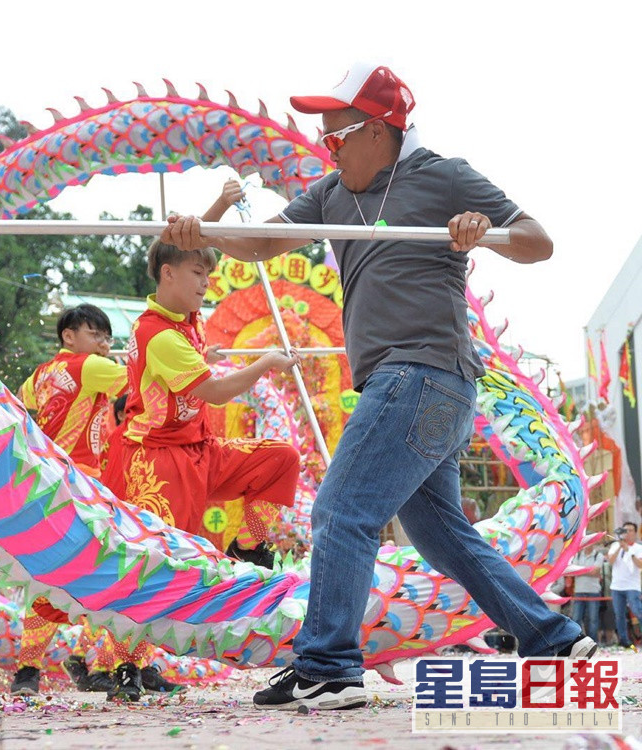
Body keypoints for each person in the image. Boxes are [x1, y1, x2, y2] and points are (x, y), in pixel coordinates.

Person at [161, 62, 594, 712]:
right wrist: (207, 229)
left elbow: (539, 242)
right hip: (418, 391)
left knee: (340, 512)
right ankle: (554, 639)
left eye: (335, 136)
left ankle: (330, 665)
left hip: (422, 373)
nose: (326, 148)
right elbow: (261, 241)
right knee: (442, 535)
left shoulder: (444, 175)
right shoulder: (333, 194)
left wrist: (485, 232)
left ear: (379, 131)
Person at [110, 186, 301, 700]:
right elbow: (214, 389)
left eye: (208, 274)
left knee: (280, 458)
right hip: (157, 464)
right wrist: (264, 362)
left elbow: (189, 243)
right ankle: (125, 666)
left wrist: (216, 206)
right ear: (168, 275)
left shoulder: (182, 317)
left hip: (200, 449)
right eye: (199, 274)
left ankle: (247, 546)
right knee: (154, 564)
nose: (207, 283)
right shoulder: (163, 336)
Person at [10, 304, 136, 697]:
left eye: (105, 337)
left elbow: (20, 401)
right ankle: (79, 661)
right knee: (101, 576)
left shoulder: (40, 374)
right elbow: (147, 378)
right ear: (69, 336)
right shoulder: (89, 367)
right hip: (81, 488)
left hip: (45, 485)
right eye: (95, 334)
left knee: (52, 578)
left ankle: (37, 669)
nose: (102, 343)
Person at [607, 522, 642, 647]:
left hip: (632, 586)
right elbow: (610, 561)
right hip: (617, 586)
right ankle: (624, 641)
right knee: (619, 615)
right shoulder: (615, 545)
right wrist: (619, 547)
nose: (627, 533)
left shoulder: (638, 548)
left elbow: (640, 565)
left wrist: (629, 551)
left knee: (638, 611)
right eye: (625, 530)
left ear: (635, 532)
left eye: (630, 530)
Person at [569, 544, 606, 643]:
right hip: (579, 591)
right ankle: (577, 642)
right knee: (576, 618)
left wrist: (581, 570)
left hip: (593, 591)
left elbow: (596, 572)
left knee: (593, 619)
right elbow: (573, 571)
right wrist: (589, 570)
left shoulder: (598, 555)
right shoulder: (577, 555)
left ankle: (593, 642)